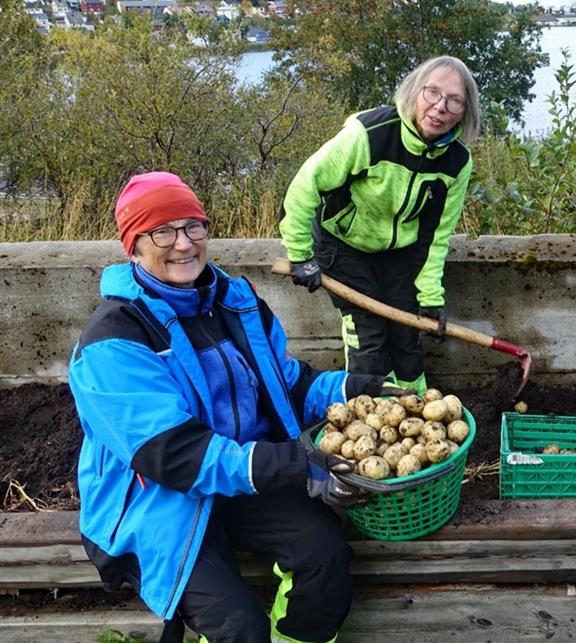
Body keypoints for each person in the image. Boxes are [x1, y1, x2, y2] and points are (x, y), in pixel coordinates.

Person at [68, 171, 395, 643]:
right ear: (133, 245)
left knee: (325, 557)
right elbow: (173, 455)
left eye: (193, 226)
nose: (183, 244)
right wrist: (293, 464)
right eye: (162, 231)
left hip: (244, 477)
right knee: (237, 626)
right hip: (158, 501)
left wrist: (355, 391)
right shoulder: (114, 337)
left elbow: (286, 386)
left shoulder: (237, 303)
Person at [279, 55, 481, 395]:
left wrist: (430, 295)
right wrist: (300, 255)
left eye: (454, 100)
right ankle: (366, 418)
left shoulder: (457, 162)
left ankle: (416, 415)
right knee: (369, 336)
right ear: (415, 92)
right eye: (432, 93)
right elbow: (305, 185)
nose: (440, 107)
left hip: (399, 251)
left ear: (465, 111)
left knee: (407, 333)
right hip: (342, 243)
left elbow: (437, 233)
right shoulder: (369, 135)